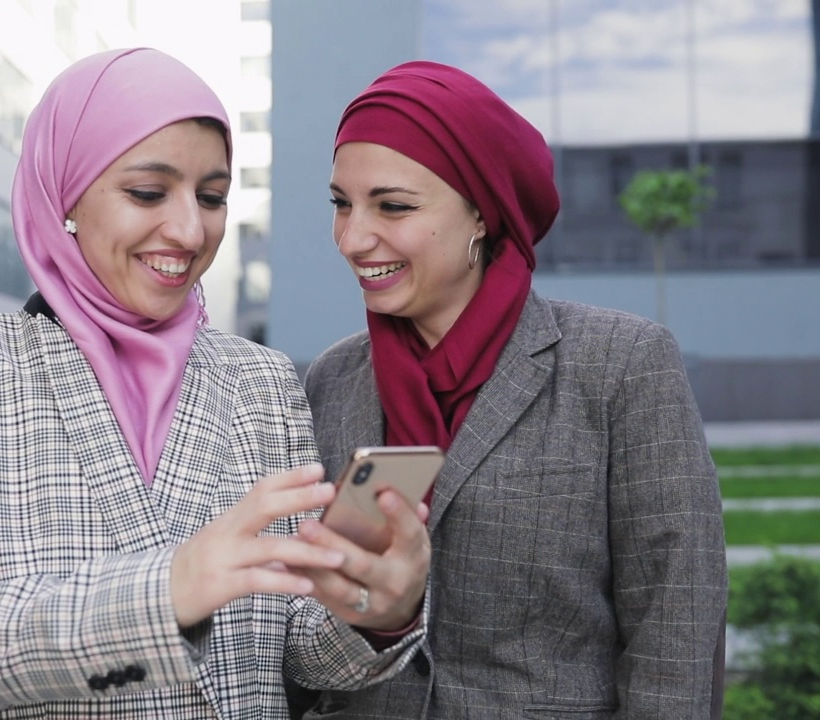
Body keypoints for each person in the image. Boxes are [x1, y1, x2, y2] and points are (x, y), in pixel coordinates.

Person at [0, 48, 430, 720]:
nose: (190, 230)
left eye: (212, 197)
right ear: (64, 195)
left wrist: (371, 610)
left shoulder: (262, 380)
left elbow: (294, 654)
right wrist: (165, 593)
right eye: (148, 193)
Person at [298, 60, 728, 719]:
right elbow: (295, 625)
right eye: (340, 203)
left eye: (393, 206)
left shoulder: (621, 364)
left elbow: (676, 625)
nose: (353, 238)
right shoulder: (331, 379)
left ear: (480, 213)